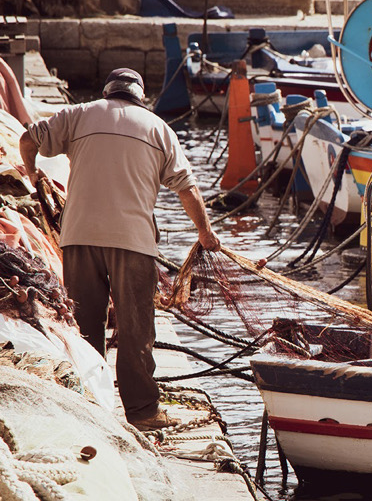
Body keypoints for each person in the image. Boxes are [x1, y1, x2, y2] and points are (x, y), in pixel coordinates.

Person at [19, 68, 221, 431]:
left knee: (83, 325)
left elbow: (28, 140)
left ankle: (91, 404)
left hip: (78, 236)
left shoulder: (78, 114)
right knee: (135, 329)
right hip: (132, 242)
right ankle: (142, 412)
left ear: (107, 91)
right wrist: (205, 234)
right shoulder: (159, 129)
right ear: (139, 95)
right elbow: (187, 189)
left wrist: (34, 176)